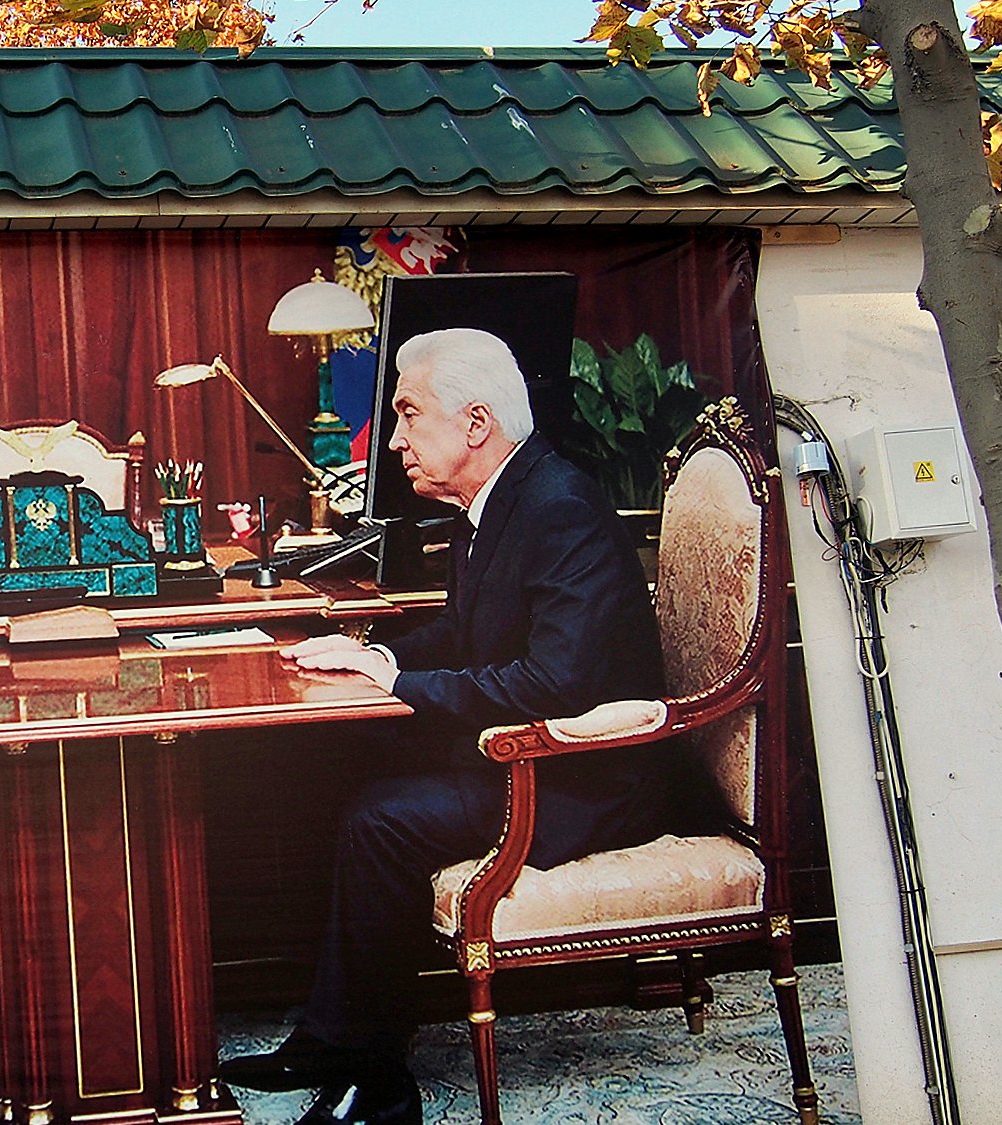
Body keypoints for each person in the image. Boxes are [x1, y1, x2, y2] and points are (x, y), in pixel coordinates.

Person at [222, 329, 679, 1125]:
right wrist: (370, 653)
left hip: (589, 774)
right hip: (530, 757)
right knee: (329, 770)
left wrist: (401, 682)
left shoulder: (558, 505)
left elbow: (555, 681)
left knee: (384, 819)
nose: (395, 439)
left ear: (475, 424)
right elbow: (470, 636)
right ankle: (334, 1036)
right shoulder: (495, 499)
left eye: (407, 414)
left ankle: (378, 1079)